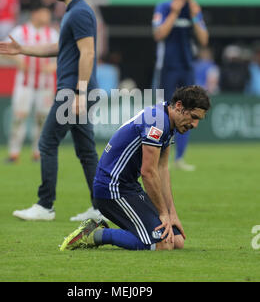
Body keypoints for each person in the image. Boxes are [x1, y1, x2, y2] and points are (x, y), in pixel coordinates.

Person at [0, 0, 104, 222]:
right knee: (86, 151)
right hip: (78, 90)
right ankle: (101, 208)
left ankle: (45, 206)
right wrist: (23, 49)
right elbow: (59, 48)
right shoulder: (74, 12)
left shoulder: (79, 13)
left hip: (73, 90)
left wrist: (78, 93)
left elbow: (87, 52)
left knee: (46, 142)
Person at [59, 85, 211, 252]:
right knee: (163, 244)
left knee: (177, 240)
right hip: (111, 189)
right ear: (179, 106)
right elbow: (148, 172)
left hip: (129, 188)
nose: (195, 125)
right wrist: (163, 213)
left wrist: (171, 213)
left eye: (199, 120)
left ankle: (135, 232)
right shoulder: (157, 122)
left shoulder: (167, 120)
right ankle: (95, 234)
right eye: (193, 117)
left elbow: (162, 170)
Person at [151, 0, 209, 171]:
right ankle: (160, 154)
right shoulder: (164, 7)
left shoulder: (192, 11)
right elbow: (159, 34)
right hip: (167, 67)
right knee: (165, 111)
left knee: (188, 112)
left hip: (186, 67)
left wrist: (194, 16)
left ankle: (180, 158)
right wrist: (174, 13)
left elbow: (204, 39)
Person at [0, 4, 59, 163]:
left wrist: (53, 66)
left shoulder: (52, 33)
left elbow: (64, 54)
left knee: (42, 118)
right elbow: (5, 48)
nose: (47, 16)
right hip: (24, 83)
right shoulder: (21, 31)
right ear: (35, 13)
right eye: (44, 12)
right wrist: (17, 61)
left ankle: (38, 152)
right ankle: (14, 153)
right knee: (19, 116)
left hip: (45, 85)